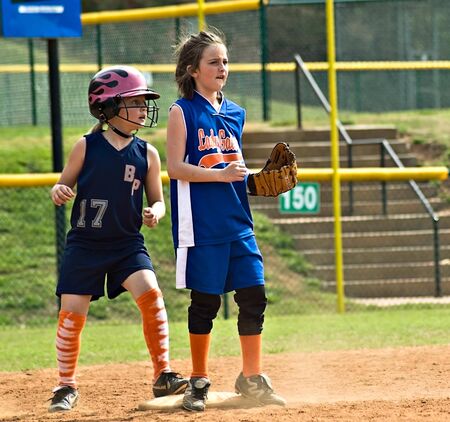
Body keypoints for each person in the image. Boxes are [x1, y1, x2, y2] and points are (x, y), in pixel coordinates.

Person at [47, 65, 188, 413]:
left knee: (151, 294)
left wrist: (156, 211)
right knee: (71, 313)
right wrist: (59, 189)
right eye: (135, 102)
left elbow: (158, 199)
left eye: (144, 102)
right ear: (109, 107)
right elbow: (63, 183)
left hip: (127, 244)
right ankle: (65, 385)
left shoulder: (147, 154)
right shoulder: (87, 145)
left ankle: (163, 374)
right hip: (85, 244)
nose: (143, 108)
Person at [166, 29, 286, 412]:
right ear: (193, 70)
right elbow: (175, 168)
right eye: (214, 62)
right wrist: (220, 176)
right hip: (202, 225)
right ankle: (198, 380)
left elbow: (231, 168)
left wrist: (255, 182)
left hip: (239, 222)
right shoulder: (181, 111)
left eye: (226, 61)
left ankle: (251, 378)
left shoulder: (236, 113)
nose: (222, 68)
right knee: (205, 303)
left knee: (254, 296)